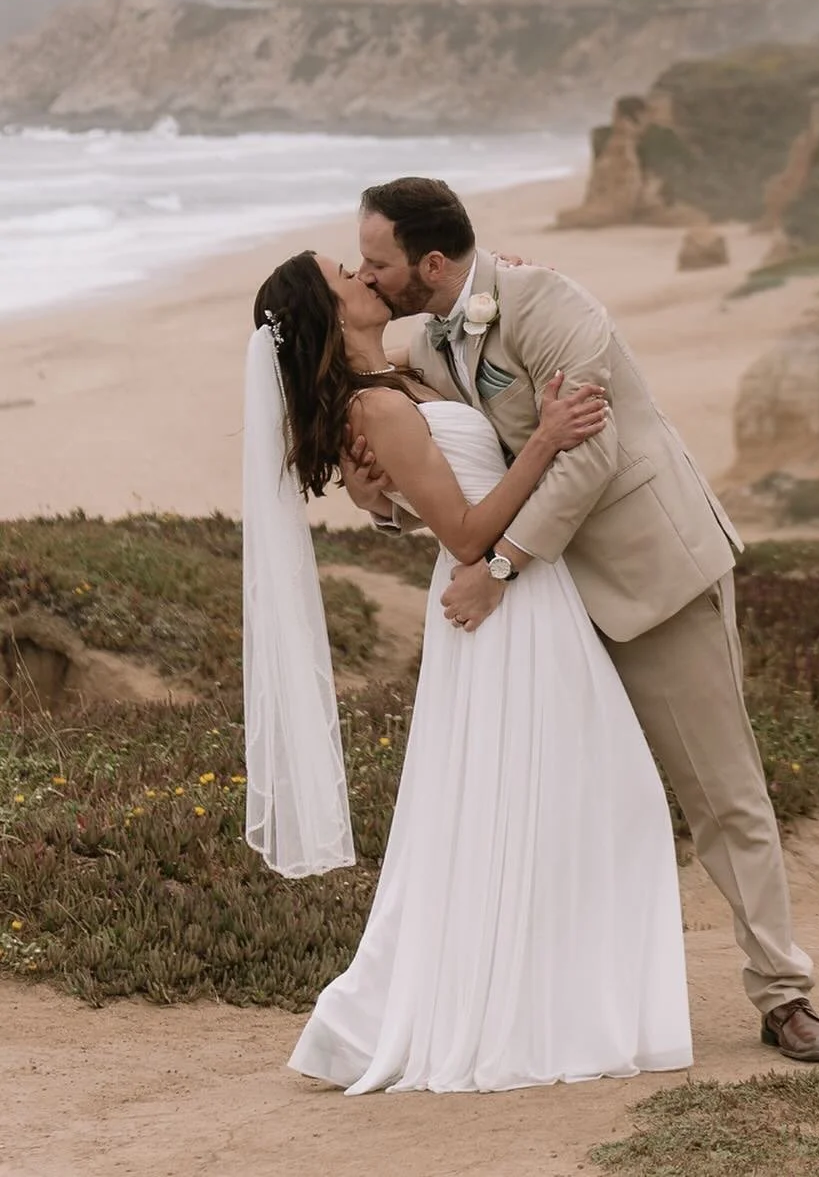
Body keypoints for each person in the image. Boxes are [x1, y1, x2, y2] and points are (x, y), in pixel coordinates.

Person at [342, 176, 819, 1062]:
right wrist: (383, 503)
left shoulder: (550, 301)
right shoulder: (429, 345)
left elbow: (593, 454)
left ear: (434, 261)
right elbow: (460, 471)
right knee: (576, 806)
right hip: (551, 613)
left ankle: (784, 993)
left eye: (378, 262)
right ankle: (584, 998)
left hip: (651, 576)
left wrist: (498, 567)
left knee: (724, 797)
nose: (369, 277)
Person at [244, 250, 693, 1092]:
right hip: (499, 604)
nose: (360, 270)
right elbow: (466, 532)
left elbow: (421, 477)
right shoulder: (375, 404)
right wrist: (551, 442)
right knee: (584, 796)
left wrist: (506, 282)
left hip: (525, 600)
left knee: (560, 801)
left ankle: (555, 995)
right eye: (343, 272)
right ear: (329, 313)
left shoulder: (397, 377)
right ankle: (535, 1008)